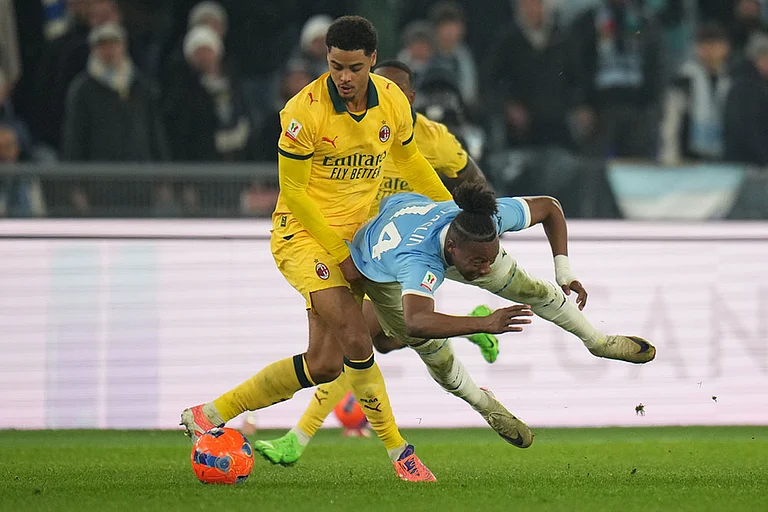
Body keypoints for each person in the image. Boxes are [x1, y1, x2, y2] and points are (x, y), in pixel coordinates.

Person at [180, 15, 456, 483]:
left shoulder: (391, 100)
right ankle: (401, 454)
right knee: (356, 335)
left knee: (325, 364)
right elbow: (295, 193)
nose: (344, 77)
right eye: (335, 66)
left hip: (359, 237)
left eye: (354, 68)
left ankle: (209, 414)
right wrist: (338, 253)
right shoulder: (302, 113)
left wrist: (451, 211)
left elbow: (410, 160)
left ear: (372, 60)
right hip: (304, 236)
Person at [254, 181, 657, 466]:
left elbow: (550, 207)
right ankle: (486, 405)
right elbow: (417, 320)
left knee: (531, 288)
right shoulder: (417, 262)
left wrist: (564, 270)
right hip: (378, 270)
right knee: (425, 351)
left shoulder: (484, 224)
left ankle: (598, 342)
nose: (484, 268)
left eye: (490, 257)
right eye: (478, 262)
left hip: (415, 214)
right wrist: (484, 324)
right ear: (451, 249)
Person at [660, 23, 732, 166]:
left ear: (725, 48)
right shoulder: (684, 80)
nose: (709, 51)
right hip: (688, 158)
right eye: (705, 45)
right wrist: (670, 157)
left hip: (725, 157)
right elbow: (671, 123)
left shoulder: (731, 80)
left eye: (714, 45)